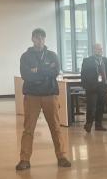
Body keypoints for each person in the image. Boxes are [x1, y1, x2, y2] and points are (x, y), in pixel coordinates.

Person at [16, 28, 70, 171]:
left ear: (44, 39)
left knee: (55, 127)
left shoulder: (52, 55)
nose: (39, 41)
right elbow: (25, 75)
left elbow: (55, 71)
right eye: (37, 38)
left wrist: (37, 70)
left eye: (42, 38)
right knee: (28, 129)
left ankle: (62, 156)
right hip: (31, 96)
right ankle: (24, 159)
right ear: (32, 39)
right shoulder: (25, 56)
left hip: (50, 95)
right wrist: (44, 71)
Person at [81, 42, 107, 133]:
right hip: (92, 87)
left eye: (101, 49)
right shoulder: (87, 61)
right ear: (93, 50)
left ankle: (98, 125)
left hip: (103, 87)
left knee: (101, 106)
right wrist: (85, 86)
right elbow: (83, 74)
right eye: (97, 49)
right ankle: (89, 124)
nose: (100, 50)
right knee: (91, 107)